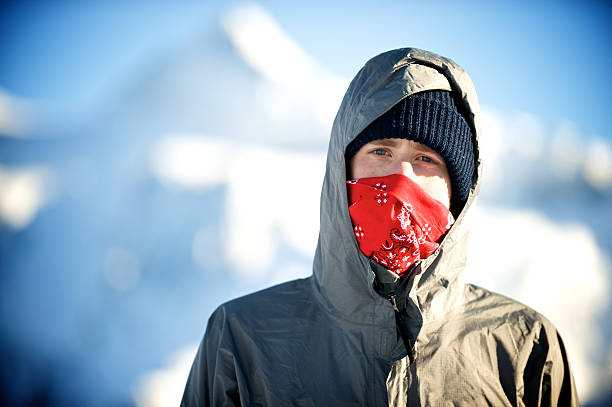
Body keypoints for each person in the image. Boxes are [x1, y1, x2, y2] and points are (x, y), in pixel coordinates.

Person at [181, 48, 579, 406]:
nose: (400, 177)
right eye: (381, 151)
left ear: (458, 192)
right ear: (343, 170)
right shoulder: (242, 338)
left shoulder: (523, 345)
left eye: (426, 159)